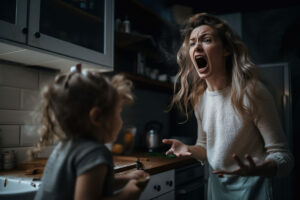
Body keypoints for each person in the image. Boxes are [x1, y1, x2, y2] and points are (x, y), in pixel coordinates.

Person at [163, 13, 294, 200]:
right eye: (192, 43)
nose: (197, 46)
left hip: (253, 194)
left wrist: (263, 167)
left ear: (225, 49)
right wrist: (189, 149)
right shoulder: (200, 98)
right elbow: (204, 148)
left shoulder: (252, 92)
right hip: (217, 195)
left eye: (206, 40)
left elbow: (284, 158)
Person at [31, 64, 149, 200]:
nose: (121, 121)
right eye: (118, 112)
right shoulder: (95, 152)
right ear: (97, 117)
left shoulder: (65, 145)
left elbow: (90, 185)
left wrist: (126, 179)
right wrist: (128, 194)